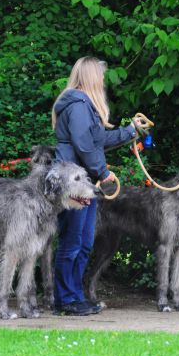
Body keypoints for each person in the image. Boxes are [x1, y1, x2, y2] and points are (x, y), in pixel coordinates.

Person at [51, 56, 139, 316]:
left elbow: (97, 140)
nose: (102, 80)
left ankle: (75, 296)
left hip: (85, 183)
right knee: (73, 241)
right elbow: (84, 145)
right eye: (100, 76)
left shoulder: (85, 106)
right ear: (90, 77)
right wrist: (103, 172)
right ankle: (65, 300)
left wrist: (130, 131)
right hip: (74, 183)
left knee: (84, 241)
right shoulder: (78, 104)